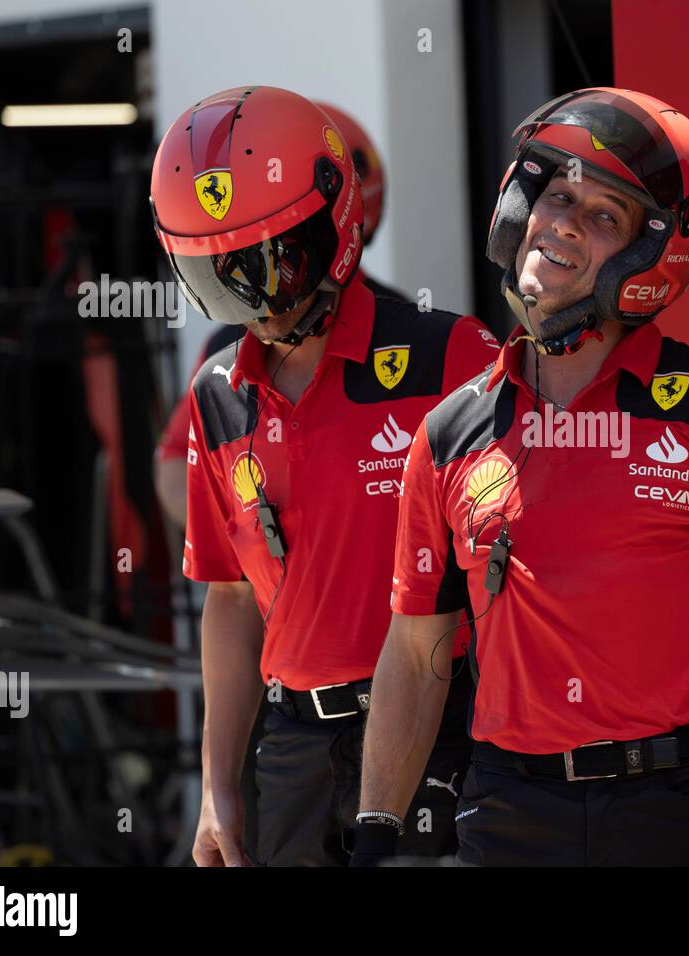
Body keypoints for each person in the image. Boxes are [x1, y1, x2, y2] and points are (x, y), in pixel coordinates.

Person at [354, 88, 689, 867]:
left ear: (651, 258)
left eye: (605, 214)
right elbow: (414, 652)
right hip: (505, 811)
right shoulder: (446, 433)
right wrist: (375, 825)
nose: (565, 222)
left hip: (676, 804)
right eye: (558, 195)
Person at [149, 85, 500, 866]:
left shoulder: (451, 357)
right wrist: (218, 789)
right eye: (221, 277)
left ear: (332, 222)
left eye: (271, 265)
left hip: (442, 731)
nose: (255, 302)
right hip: (295, 751)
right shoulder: (216, 395)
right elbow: (230, 600)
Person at [154, 100, 406, 527]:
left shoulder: (427, 342)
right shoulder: (221, 359)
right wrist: (250, 546)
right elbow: (176, 464)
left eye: (278, 245)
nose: (261, 307)